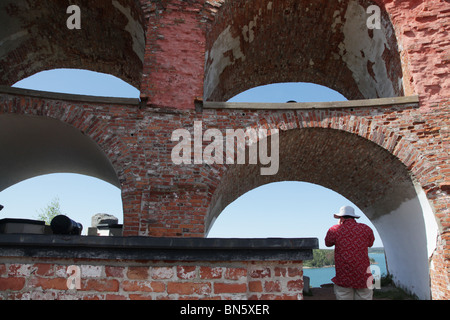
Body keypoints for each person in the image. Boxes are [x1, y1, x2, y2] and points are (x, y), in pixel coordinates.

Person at [325, 205, 375, 300]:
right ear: (354, 217)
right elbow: (370, 243)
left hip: (344, 276)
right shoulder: (366, 229)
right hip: (363, 276)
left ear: (341, 218)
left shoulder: (334, 230)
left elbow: (328, 243)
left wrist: (339, 225)